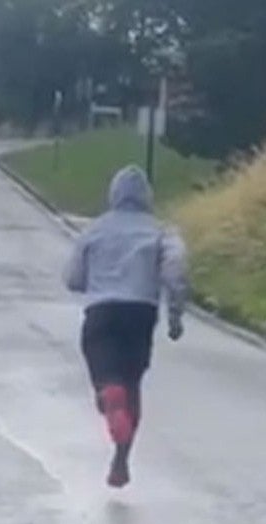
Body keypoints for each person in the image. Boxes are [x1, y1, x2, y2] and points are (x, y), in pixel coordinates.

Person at [64, 165, 189, 488]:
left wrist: (98, 278)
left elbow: (73, 278)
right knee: (131, 385)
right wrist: (175, 315)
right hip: (141, 314)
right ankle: (121, 460)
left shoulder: (94, 230)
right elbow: (175, 271)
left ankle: (110, 397)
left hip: (102, 313)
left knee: (106, 384)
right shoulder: (161, 231)